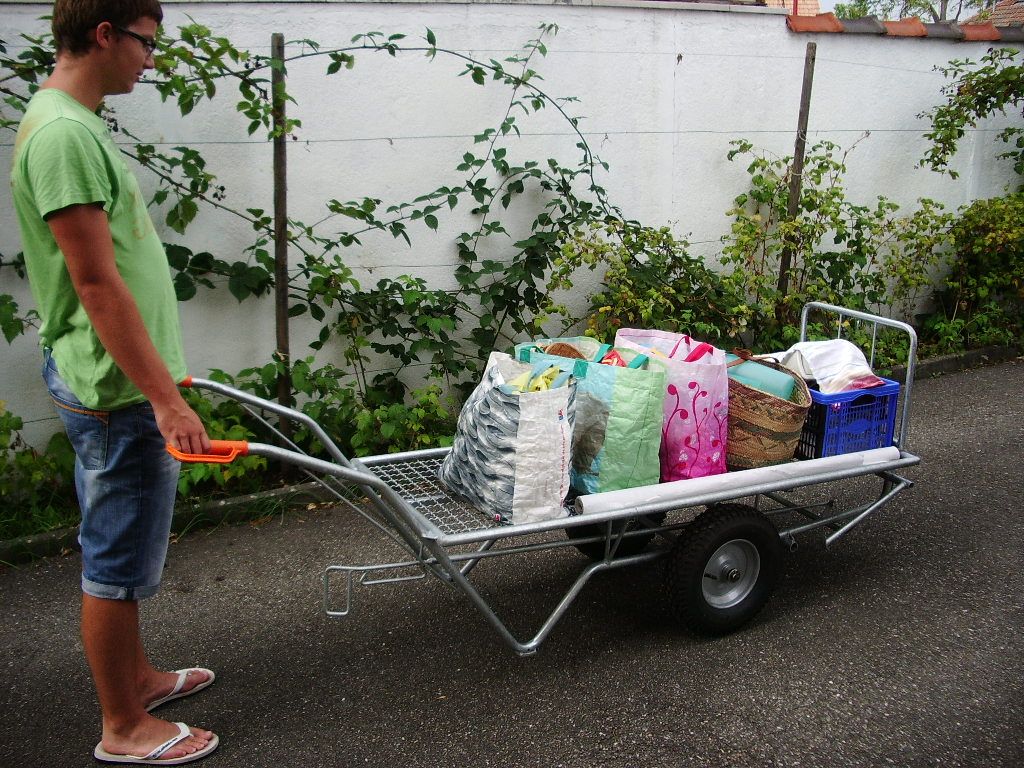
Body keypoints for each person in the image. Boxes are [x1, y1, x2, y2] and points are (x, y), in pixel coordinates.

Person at [10, 1, 219, 763]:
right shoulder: (65, 134)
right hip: (113, 390)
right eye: (146, 43)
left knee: (125, 547)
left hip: (118, 379)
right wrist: (164, 398)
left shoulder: (70, 119)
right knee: (117, 558)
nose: (152, 59)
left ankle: (137, 680)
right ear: (104, 34)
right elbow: (95, 284)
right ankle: (124, 728)